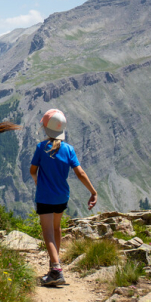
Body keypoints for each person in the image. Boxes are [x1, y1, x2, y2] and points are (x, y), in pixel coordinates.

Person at [29, 109, 98, 287]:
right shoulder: (69, 149)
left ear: (46, 128)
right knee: (56, 228)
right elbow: (80, 173)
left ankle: (56, 270)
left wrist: (36, 179)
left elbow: (32, 170)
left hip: (45, 196)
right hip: (62, 196)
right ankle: (55, 262)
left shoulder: (41, 148)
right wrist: (93, 192)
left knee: (47, 231)